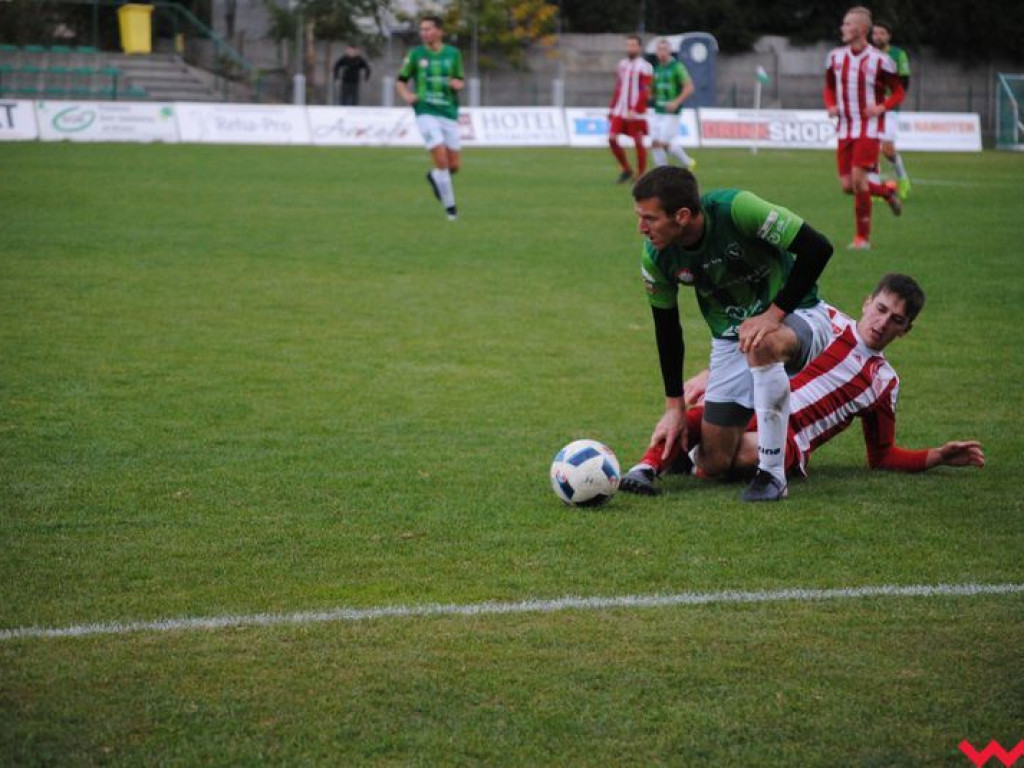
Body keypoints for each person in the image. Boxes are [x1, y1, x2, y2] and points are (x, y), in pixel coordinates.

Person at [621, 273, 985, 494]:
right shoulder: (822, 319)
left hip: (790, 439)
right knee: (700, 408)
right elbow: (758, 343)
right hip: (755, 405)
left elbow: (881, 455)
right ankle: (647, 467)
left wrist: (937, 456)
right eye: (881, 309)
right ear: (867, 303)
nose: (882, 322)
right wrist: (710, 376)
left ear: (906, 331)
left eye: (896, 320)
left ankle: (689, 457)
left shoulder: (884, 383)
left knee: (743, 452)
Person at [631, 166, 835, 502]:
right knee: (715, 463)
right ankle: (689, 448)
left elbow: (818, 248)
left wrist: (773, 315)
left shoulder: (739, 210)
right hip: (730, 340)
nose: (641, 228)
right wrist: (675, 406)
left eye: (649, 218)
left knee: (763, 343)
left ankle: (772, 476)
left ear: (681, 216)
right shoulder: (657, 257)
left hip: (801, 314)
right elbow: (667, 330)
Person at [824, 6, 905, 251]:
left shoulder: (881, 61)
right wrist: (830, 105)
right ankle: (887, 192)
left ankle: (862, 239)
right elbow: (828, 87)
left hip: (869, 129)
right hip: (845, 129)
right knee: (848, 186)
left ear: (861, 29)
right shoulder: (835, 57)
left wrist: (881, 108)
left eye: (847, 24)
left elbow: (898, 92)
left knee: (859, 180)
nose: (843, 28)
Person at [396, 16, 464, 221]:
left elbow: (459, 79)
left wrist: (457, 84)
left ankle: (434, 177)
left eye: (428, 29)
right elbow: (401, 80)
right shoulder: (416, 55)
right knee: (441, 159)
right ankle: (451, 210)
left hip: (449, 111)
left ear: (440, 31)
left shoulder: (453, 54)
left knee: (454, 166)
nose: (424, 33)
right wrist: (407, 96)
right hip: (425, 110)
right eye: (422, 30)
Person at [871, 19, 912, 200]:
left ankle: (903, 180)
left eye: (881, 33)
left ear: (889, 36)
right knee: (870, 148)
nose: (877, 36)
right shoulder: (868, 54)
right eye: (875, 33)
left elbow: (904, 84)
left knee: (887, 150)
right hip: (870, 109)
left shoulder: (897, 55)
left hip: (889, 109)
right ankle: (874, 188)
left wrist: (890, 101)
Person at [608, 34, 654, 184]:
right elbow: (619, 88)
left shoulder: (645, 67)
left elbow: (644, 90)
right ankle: (626, 169)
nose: (630, 48)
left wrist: (634, 109)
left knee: (638, 142)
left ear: (639, 48)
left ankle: (641, 174)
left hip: (636, 112)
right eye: (628, 45)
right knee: (612, 138)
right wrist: (612, 107)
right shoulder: (622, 65)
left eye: (633, 45)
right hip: (620, 110)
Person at [650, 38, 696, 170]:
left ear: (670, 51)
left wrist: (676, 102)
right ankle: (661, 170)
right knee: (655, 142)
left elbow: (689, 87)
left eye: (664, 49)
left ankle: (687, 162)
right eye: (659, 49)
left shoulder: (677, 67)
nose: (661, 52)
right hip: (658, 110)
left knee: (663, 142)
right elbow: (653, 91)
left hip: (671, 112)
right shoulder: (657, 69)